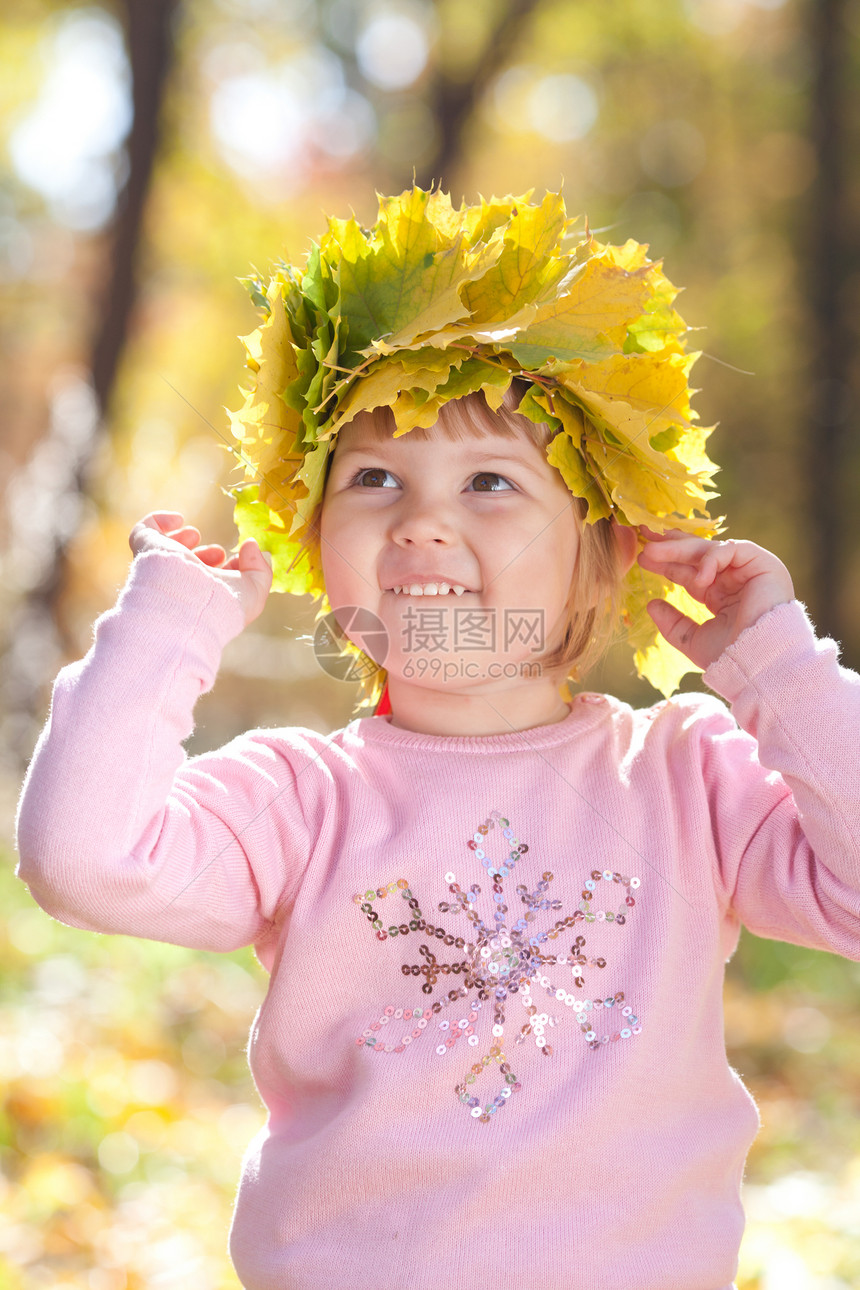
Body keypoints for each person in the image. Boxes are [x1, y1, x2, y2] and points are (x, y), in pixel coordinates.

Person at [15, 188, 860, 1290]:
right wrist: (165, 626)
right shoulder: (301, 797)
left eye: (490, 482)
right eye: (373, 478)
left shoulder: (684, 778)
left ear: (598, 553)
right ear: (317, 536)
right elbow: (81, 862)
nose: (421, 519)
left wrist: (777, 661)